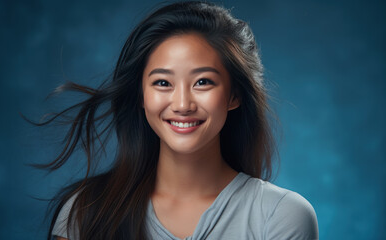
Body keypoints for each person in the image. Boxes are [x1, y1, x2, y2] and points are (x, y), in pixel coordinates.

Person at [40, 1, 319, 239]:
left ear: (234, 95)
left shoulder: (280, 215)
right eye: (162, 82)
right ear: (140, 95)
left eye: (203, 82)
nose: (183, 104)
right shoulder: (87, 210)